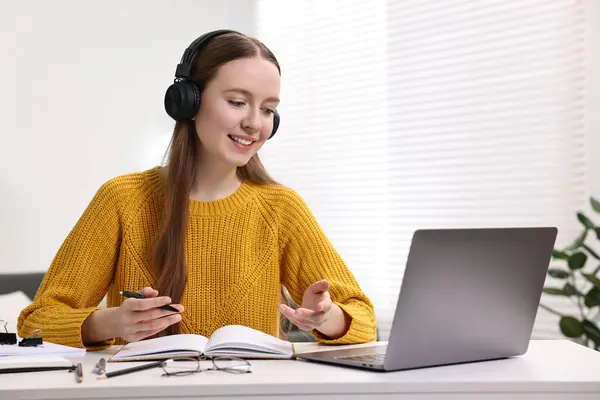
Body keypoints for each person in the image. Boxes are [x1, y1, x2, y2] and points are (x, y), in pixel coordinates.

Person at [17, 29, 377, 349]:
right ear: (187, 101)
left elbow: (364, 320)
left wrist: (326, 318)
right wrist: (111, 322)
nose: (254, 123)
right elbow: (36, 321)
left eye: (268, 109)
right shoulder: (122, 199)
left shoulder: (281, 207)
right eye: (237, 102)